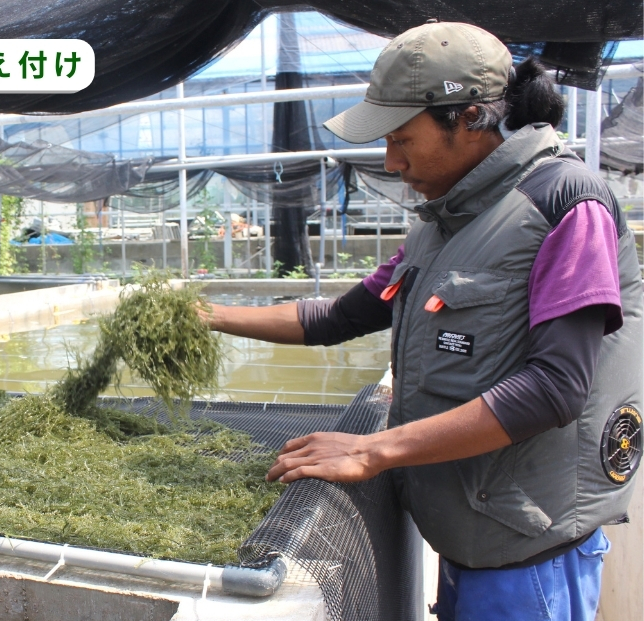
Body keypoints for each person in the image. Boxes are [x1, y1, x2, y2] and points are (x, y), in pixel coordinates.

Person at [205, 21, 641, 621]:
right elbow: (338, 316)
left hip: (529, 557)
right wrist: (203, 316)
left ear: (468, 117)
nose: (390, 161)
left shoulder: (567, 203)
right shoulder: (441, 225)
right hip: (466, 541)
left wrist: (374, 450)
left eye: (402, 139)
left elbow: (555, 387)